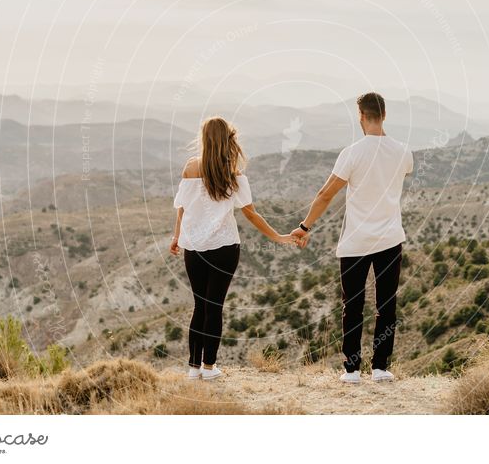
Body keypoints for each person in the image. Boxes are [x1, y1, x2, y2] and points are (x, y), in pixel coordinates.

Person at [292, 92, 413, 384]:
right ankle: (381, 368)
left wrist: (304, 227)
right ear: (384, 115)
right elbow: (401, 176)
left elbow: (325, 194)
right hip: (389, 239)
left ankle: (352, 370)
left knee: (353, 305)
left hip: (356, 242)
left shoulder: (352, 153)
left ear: (361, 116)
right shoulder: (403, 152)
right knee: (386, 305)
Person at [170, 116, 297, 380]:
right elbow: (251, 214)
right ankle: (209, 367)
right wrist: (278, 237)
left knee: (199, 306)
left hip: (193, 248)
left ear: (204, 138)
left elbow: (182, 206)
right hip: (225, 248)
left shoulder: (190, 168)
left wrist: (176, 236)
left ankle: (193, 368)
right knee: (214, 307)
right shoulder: (233, 175)